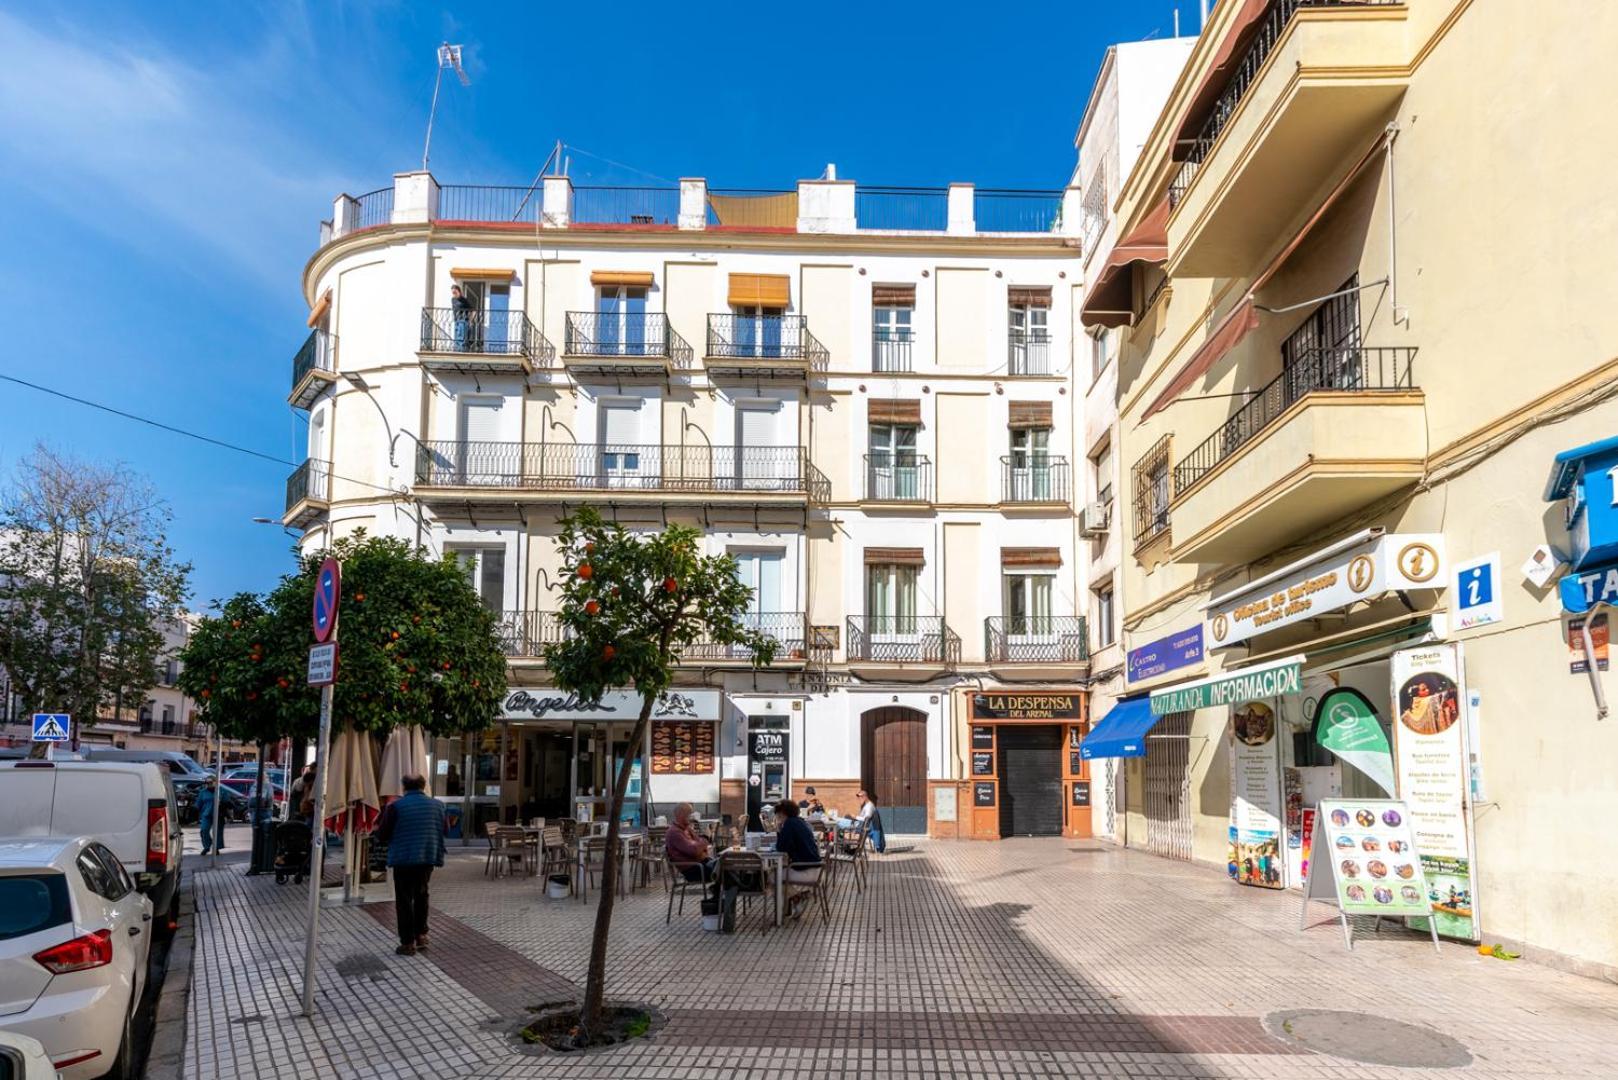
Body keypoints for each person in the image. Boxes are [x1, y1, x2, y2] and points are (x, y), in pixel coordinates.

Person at [374, 774, 446, 956]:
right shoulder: (438, 806)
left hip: (404, 859)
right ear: (423, 786)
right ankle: (421, 935)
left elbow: (382, 834)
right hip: (427, 857)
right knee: (422, 894)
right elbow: (444, 829)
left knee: (404, 899)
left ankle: (407, 943)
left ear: (404, 788)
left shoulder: (395, 807)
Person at [664, 802, 715, 886]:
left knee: (727, 867)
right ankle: (721, 896)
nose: (692, 817)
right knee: (725, 871)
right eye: (689, 813)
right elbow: (694, 851)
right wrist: (705, 838)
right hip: (693, 870)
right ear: (680, 814)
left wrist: (701, 847)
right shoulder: (674, 832)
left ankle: (718, 896)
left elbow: (702, 847)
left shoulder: (687, 829)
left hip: (702, 864)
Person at [196, 780, 225, 855]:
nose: (208, 784)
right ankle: (207, 846)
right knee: (204, 830)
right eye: (207, 783)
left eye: (210, 783)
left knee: (218, 832)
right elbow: (198, 804)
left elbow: (227, 802)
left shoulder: (221, 791)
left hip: (219, 814)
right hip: (206, 814)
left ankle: (216, 848)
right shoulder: (203, 792)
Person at [855, 788, 886, 854]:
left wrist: (855, 817)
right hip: (865, 825)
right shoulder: (866, 805)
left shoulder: (869, 806)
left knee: (845, 824)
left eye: (861, 797)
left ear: (865, 797)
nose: (860, 799)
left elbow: (867, 818)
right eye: (859, 797)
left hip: (868, 826)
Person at [451, 285, 474, 350]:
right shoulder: (453, 300)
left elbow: (472, 310)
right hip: (457, 321)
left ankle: (463, 350)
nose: (454, 294)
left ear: (459, 292)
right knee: (457, 337)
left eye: (455, 292)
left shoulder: (464, 300)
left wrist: (470, 321)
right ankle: (458, 349)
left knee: (462, 339)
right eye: (453, 293)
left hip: (463, 321)